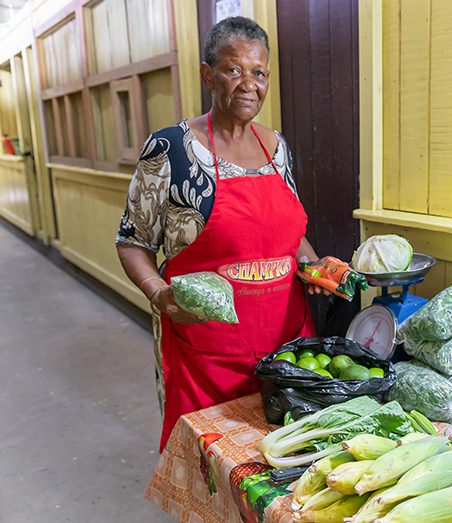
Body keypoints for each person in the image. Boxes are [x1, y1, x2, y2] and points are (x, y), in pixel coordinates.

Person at [116, 17, 327, 451]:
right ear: (208, 74)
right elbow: (133, 242)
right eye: (234, 70)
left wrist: (314, 266)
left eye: (259, 72)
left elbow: (292, 238)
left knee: (282, 465)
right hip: (206, 354)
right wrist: (159, 294)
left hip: (287, 349)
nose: (248, 84)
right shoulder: (170, 149)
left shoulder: (277, 148)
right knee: (213, 466)